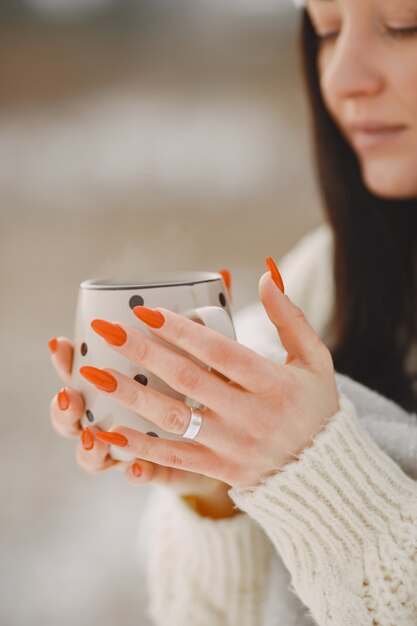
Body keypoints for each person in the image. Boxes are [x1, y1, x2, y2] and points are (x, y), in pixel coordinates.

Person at [48, 0, 417, 623]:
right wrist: (218, 490)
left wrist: (314, 475)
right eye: (326, 31)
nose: (343, 75)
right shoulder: (318, 286)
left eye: (404, 26)